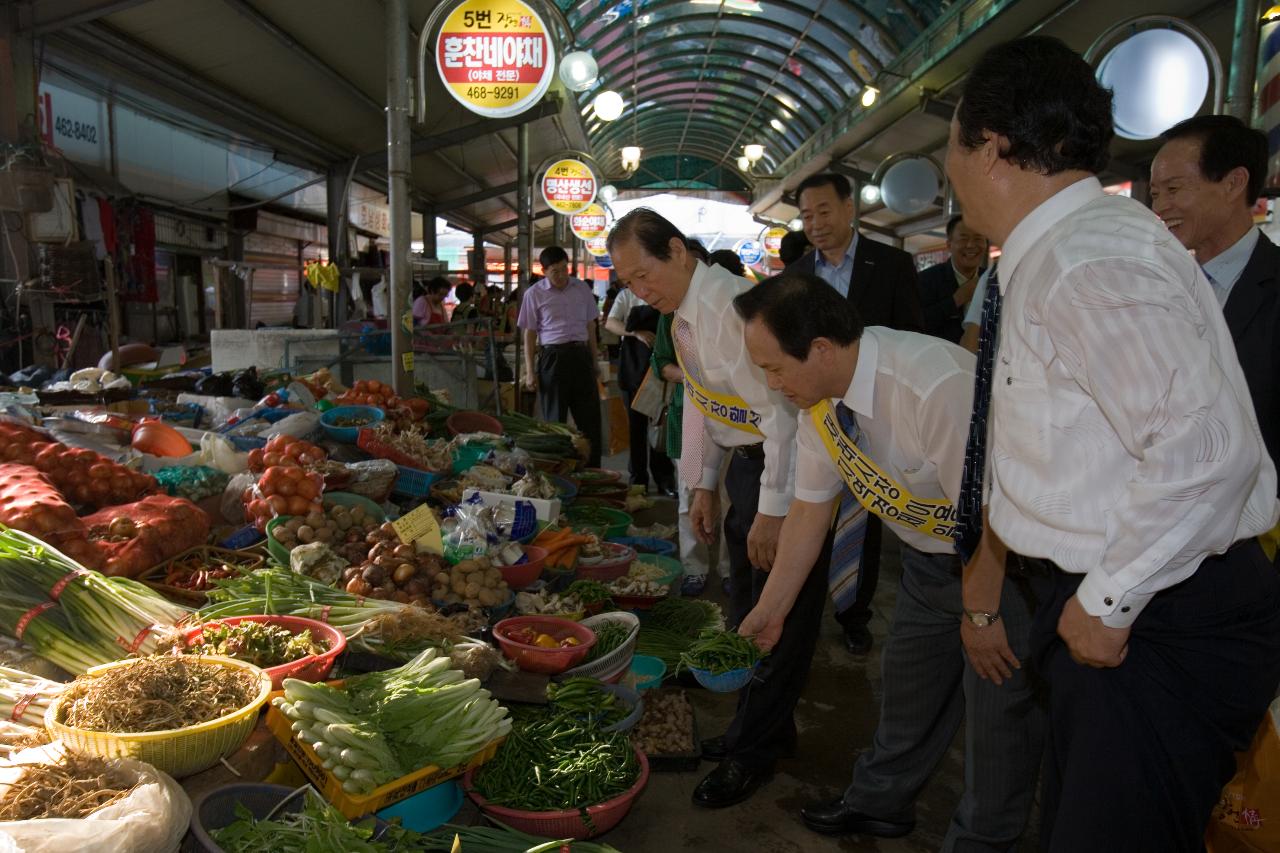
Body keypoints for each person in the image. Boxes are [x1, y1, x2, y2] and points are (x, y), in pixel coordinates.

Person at [946, 36, 1280, 852]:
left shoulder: (1086, 259)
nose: (949, 168)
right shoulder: (1069, 246)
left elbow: (1208, 450)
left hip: (1158, 617)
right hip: (1125, 602)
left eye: (950, 146)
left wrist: (1106, 601)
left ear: (991, 149)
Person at [735, 272, 1046, 851]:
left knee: (997, 726)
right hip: (931, 566)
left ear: (822, 349)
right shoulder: (823, 405)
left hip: (1006, 569)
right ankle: (879, 803)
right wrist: (772, 609)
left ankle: (980, 842)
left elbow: (987, 521)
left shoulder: (935, 386)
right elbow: (809, 512)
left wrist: (981, 617)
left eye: (775, 367)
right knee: (909, 689)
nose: (772, 385)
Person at [609, 208, 820, 809]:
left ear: (678, 251)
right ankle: (762, 732)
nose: (640, 291)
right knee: (748, 603)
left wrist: (774, 512)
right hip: (749, 469)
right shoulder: (680, 320)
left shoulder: (735, 309)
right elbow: (702, 401)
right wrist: (703, 483)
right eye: (627, 283)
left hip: (791, 471)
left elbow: (781, 413)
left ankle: (755, 752)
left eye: (645, 274)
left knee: (779, 612)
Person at [789, 171, 926, 656]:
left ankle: (854, 612)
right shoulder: (799, 274)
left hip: (875, 405)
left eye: (824, 211)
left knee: (867, 505)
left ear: (850, 209)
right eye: (807, 216)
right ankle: (806, 602)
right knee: (811, 503)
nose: (816, 224)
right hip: (817, 410)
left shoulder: (891, 264)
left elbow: (912, 334)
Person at [1151, 115, 1280, 486]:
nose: (1161, 208)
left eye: (1174, 189)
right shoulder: (1161, 287)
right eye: (1156, 193)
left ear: (1233, 183)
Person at [651, 310, 723, 595]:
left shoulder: (732, 311)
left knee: (730, 499)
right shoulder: (672, 315)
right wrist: (691, 377)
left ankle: (730, 569)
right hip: (688, 418)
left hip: (730, 419)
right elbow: (659, 362)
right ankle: (694, 568)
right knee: (689, 492)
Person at [517, 246, 603, 467]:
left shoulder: (581, 288)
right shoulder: (533, 294)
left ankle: (592, 471)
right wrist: (529, 372)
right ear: (544, 270)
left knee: (590, 419)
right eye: (555, 271)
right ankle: (560, 472)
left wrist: (595, 362)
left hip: (581, 355)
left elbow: (591, 327)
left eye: (565, 269)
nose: (562, 275)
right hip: (552, 359)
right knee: (555, 421)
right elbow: (529, 334)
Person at [605, 283, 677, 496]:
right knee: (635, 429)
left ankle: (664, 479)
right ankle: (638, 481)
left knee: (660, 424)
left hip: (661, 370)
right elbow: (610, 322)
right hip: (634, 367)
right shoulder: (626, 296)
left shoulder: (665, 292)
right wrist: (635, 332)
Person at [916, 216, 988, 342]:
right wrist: (956, 300)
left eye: (978, 238)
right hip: (940, 357)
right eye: (963, 239)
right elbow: (916, 324)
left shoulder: (993, 280)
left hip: (982, 359)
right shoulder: (926, 279)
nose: (971, 245)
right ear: (949, 245)